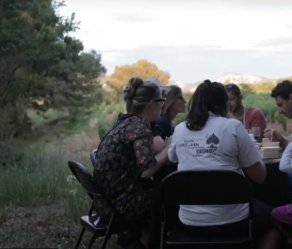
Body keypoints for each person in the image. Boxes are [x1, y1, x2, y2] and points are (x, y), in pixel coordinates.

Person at [168, 80, 278, 249]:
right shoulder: (232, 127)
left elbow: (173, 158)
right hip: (234, 220)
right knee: (275, 220)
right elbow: (259, 177)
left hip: (189, 220)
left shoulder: (180, 129)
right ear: (224, 103)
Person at [93, 77, 171, 248]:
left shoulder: (125, 121)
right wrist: (169, 149)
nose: (163, 105)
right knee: (169, 194)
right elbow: (147, 170)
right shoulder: (139, 127)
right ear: (151, 104)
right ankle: (149, 241)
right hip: (120, 204)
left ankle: (136, 237)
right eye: (161, 100)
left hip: (105, 201)